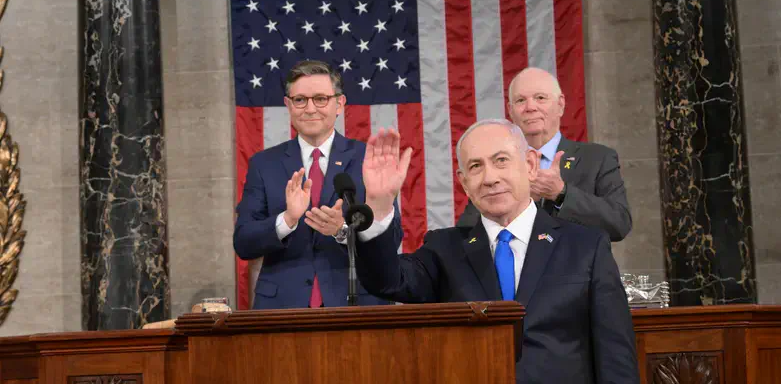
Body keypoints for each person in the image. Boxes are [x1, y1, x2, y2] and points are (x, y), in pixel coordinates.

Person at [355, 120, 639, 384]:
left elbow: (615, 354)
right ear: (464, 183)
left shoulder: (586, 247)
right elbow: (387, 280)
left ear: (529, 165)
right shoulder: (444, 249)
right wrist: (379, 205)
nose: (490, 178)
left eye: (501, 160)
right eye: (476, 167)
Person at [233, 60, 403, 309]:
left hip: (357, 303)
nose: (310, 108)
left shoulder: (368, 159)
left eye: (321, 98)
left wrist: (342, 231)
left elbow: (391, 241)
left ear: (339, 104)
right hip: (282, 309)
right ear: (288, 105)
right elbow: (244, 243)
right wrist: (287, 220)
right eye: (300, 99)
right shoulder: (263, 163)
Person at [457, 67, 632, 242]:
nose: (530, 107)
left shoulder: (597, 158)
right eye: (520, 100)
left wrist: (562, 193)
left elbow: (619, 224)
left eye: (540, 98)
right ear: (510, 110)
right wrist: (515, 200)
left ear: (560, 104)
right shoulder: (494, 165)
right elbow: (466, 233)